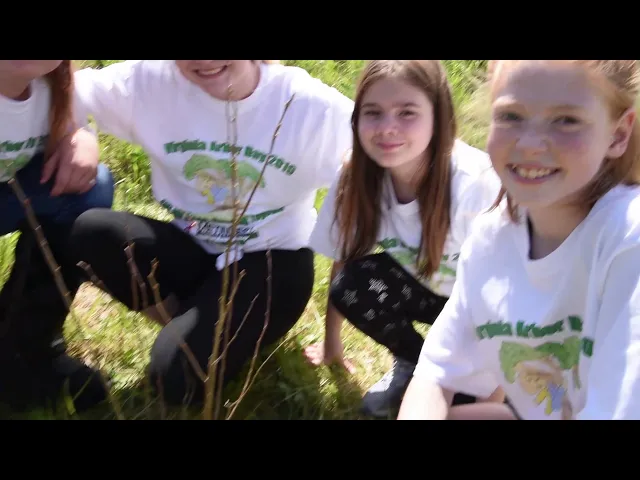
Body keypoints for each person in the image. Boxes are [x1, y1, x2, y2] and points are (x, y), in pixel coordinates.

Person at [66, 60, 354, 407]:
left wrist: (333, 339)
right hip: (193, 247)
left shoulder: (309, 107)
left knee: (174, 380)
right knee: (92, 232)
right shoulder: (151, 82)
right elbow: (65, 88)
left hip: (272, 262)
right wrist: (79, 134)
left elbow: (385, 156)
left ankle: (212, 336)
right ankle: (195, 323)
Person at [398, 60, 640, 421]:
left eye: (566, 120)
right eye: (511, 116)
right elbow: (435, 374)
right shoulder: (489, 239)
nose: (528, 144)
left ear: (618, 135)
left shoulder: (628, 238)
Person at [303, 60, 504, 418]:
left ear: (438, 116)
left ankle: (460, 381)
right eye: (373, 112)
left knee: (470, 404)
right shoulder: (356, 176)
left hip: (480, 313)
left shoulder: (477, 186)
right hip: (425, 291)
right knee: (351, 284)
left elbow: (511, 302)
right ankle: (415, 363)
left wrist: (490, 404)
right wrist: (331, 344)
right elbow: (343, 256)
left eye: (407, 112)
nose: (387, 128)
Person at [0, 60, 115, 413]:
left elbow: (72, 129)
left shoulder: (53, 83)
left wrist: (83, 139)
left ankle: (25, 345)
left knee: (90, 188)